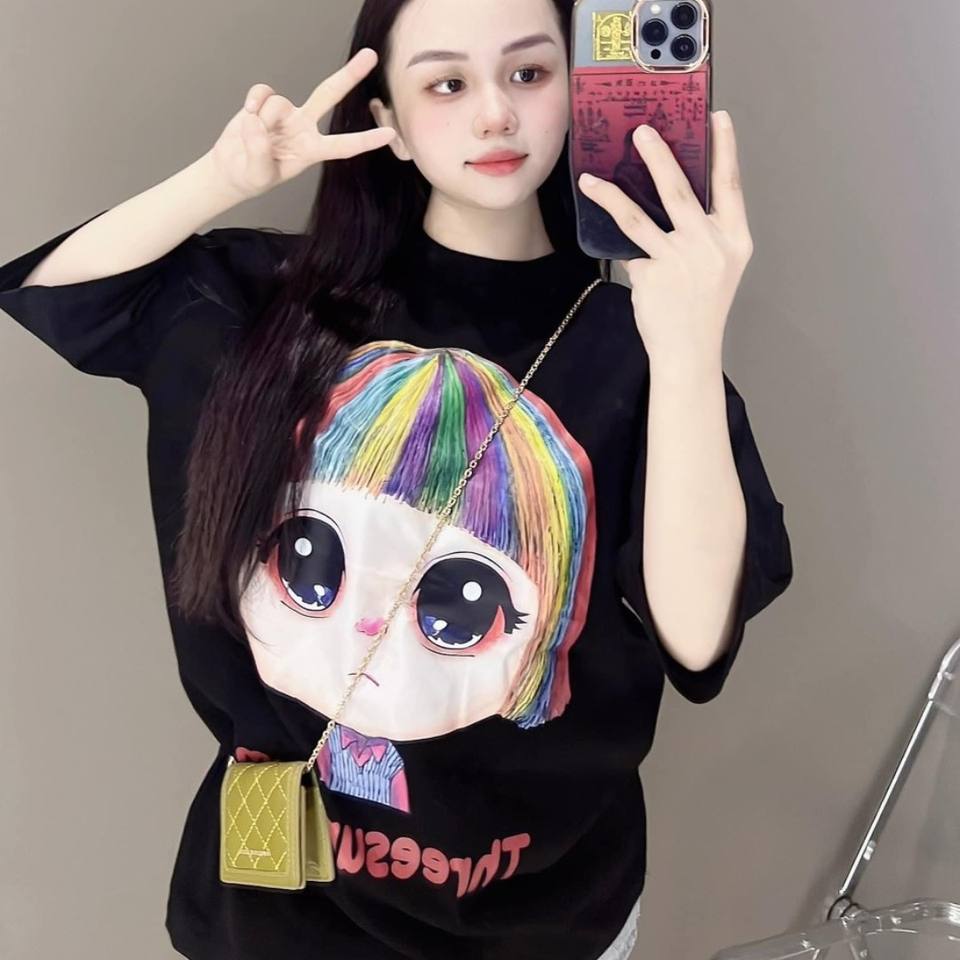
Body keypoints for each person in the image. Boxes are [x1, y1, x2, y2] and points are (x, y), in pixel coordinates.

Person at [0, 0, 794, 957]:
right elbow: (60, 299)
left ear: (579, 96)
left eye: (529, 73)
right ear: (391, 121)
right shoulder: (273, 305)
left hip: (547, 923)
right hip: (283, 918)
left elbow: (696, 643)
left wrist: (690, 339)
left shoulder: (640, 350)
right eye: (447, 83)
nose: (494, 113)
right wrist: (223, 178)